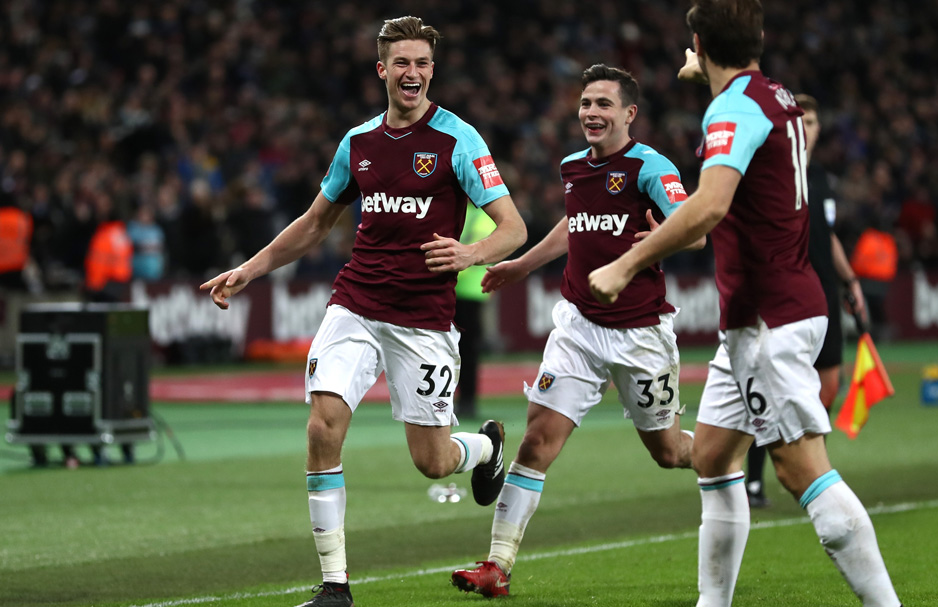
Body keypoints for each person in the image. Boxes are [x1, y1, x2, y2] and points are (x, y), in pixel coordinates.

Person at [200, 16, 527, 607]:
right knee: (323, 427)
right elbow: (315, 222)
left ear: (433, 70)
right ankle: (334, 587)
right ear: (382, 69)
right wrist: (250, 268)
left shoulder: (459, 140)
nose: (413, 73)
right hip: (355, 302)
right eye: (402, 62)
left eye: (423, 63)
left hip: (424, 318)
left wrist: (470, 252)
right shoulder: (358, 143)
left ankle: (484, 448)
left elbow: (514, 228)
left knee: (431, 462)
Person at [589, 2, 902, 606]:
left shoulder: (732, 107)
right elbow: (743, 103)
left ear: (700, 42)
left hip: (771, 317)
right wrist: (705, 73)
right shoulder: (776, 95)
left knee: (798, 467)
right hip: (761, 316)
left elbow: (709, 207)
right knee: (709, 455)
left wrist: (627, 263)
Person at [451, 64, 700, 598]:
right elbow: (574, 224)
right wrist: (520, 264)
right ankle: (497, 566)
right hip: (579, 326)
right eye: (586, 102)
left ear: (629, 113)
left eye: (604, 104)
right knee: (536, 441)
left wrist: (664, 237)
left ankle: (727, 451)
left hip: (640, 333)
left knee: (670, 452)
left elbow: (696, 232)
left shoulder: (650, 167)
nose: (591, 112)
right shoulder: (572, 168)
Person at [744, 94, 867, 508]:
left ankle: (809, 465)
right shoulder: (771, 171)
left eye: (813, 122)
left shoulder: (822, 181)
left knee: (828, 385)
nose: (808, 128)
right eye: (802, 121)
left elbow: (826, 235)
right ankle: (756, 478)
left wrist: (850, 280)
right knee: (770, 388)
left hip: (825, 291)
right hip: (784, 294)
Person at [453, 203, 497, 420]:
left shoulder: (478, 215)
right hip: (466, 290)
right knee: (465, 350)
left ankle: (466, 401)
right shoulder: (483, 215)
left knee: (464, 350)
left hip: (466, 291)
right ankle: (464, 401)